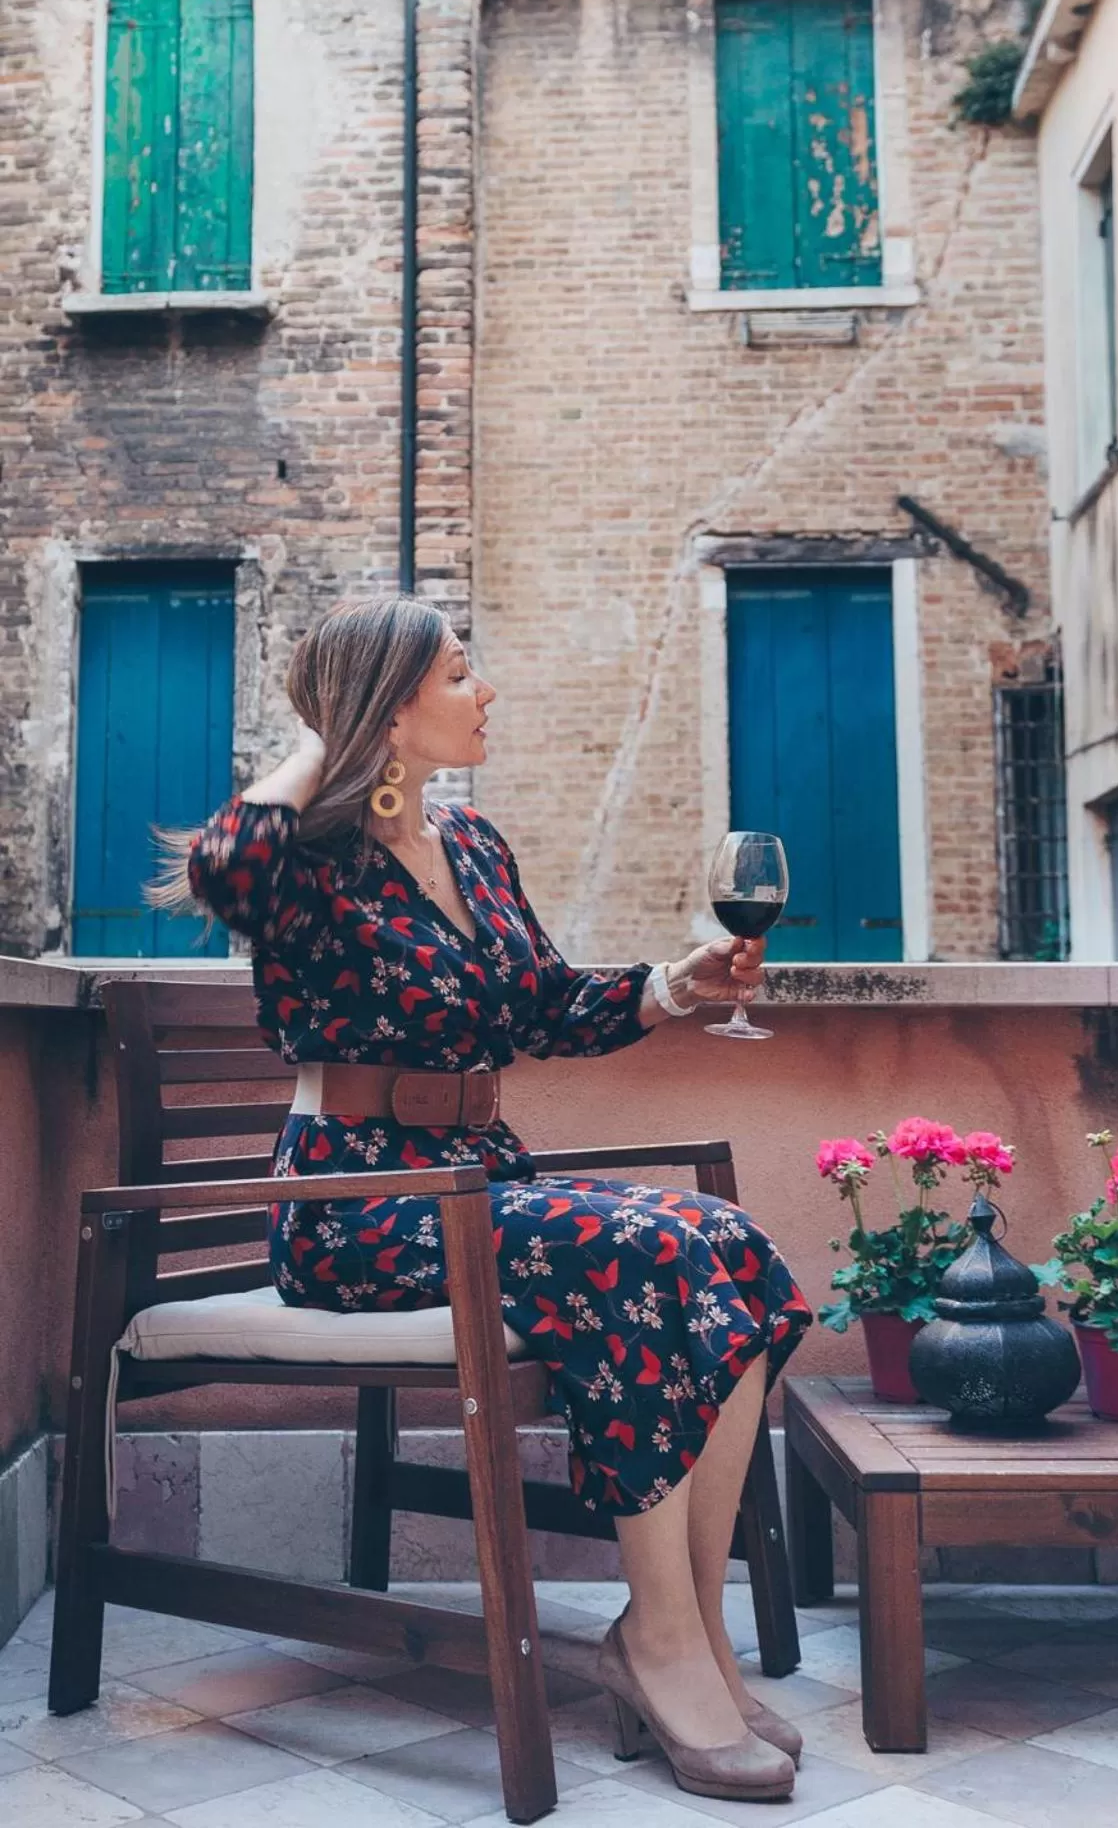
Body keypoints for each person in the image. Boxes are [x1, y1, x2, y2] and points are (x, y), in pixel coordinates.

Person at [162, 595, 812, 1804]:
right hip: (357, 1202)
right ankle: (661, 1646)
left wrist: (678, 983)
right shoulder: (305, 861)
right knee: (638, 1255)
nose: (486, 692)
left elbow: (540, 1008)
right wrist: (330, 727)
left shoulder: (473, 848)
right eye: (460, 674)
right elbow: (221, 865)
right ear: (395, 707)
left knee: (727, 1246)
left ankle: (689, 1634)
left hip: (478, 1182)